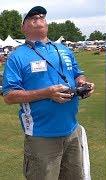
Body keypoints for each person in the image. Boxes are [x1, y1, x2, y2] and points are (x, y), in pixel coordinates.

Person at [2, 6, 94, 180]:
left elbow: (77, 74)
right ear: (24, 27)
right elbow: (9, 96)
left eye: (42, 17)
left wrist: (82, 83)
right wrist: (47, 93)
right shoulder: (17, 56)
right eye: (33, 18)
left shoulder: (63, 49)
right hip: (41, 136)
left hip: (72, 131)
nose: (39, 18)